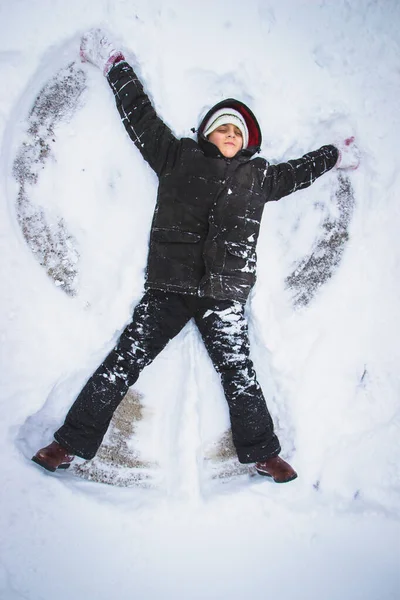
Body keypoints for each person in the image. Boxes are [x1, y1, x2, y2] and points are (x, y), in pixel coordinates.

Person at [32, 29, 360, 483]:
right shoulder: (177, 156)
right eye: (222, 127)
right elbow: (140, 117)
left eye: (236, 130)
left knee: (239, 374)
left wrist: (333, 155)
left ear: (246, 142)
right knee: (123, 363)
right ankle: (66, 444)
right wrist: (115, 65)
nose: (229, 133)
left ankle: (263, 453)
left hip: (224, 292)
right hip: (169, 285)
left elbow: (300, 172)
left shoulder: (259, 177)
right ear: (206, 132)